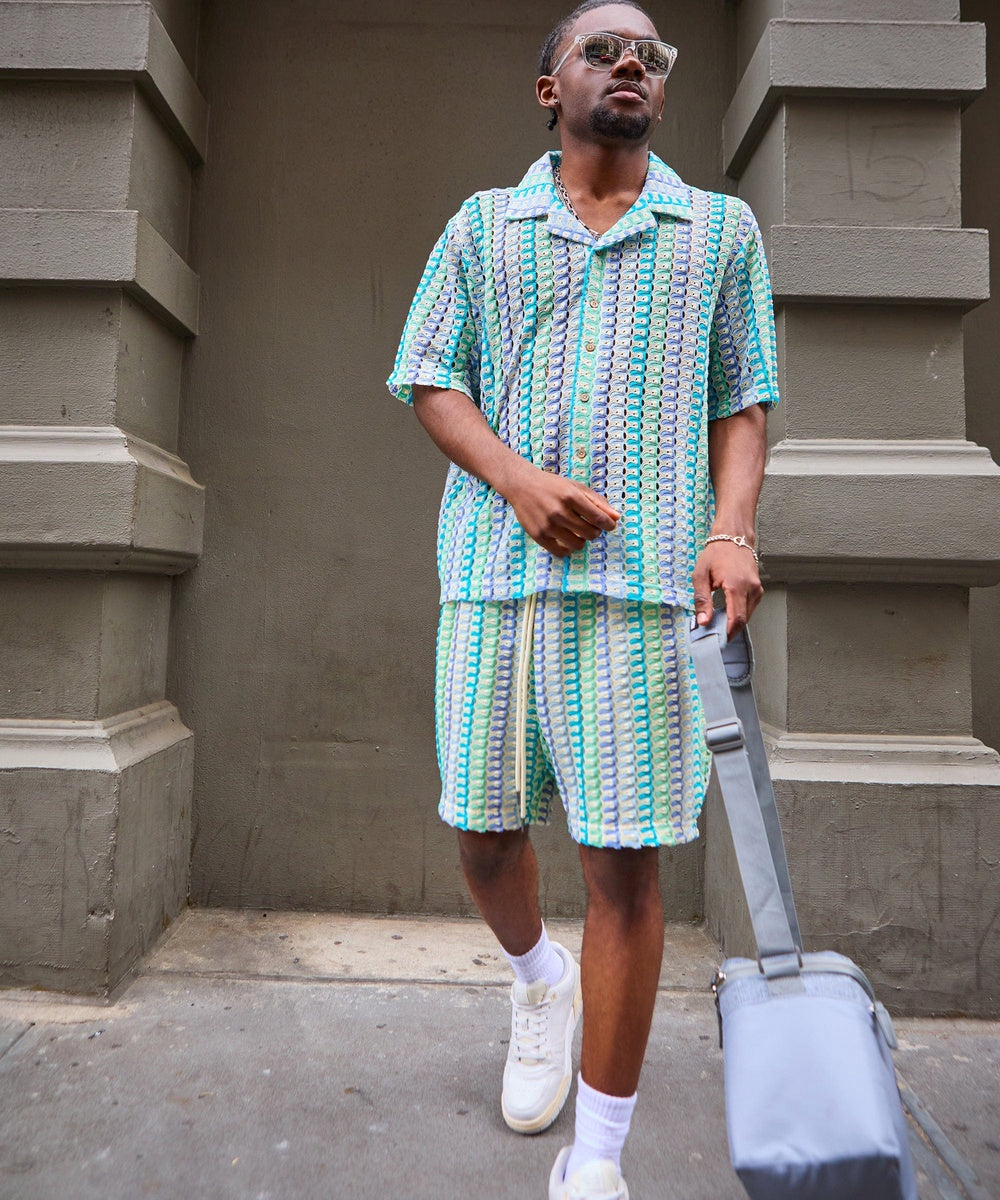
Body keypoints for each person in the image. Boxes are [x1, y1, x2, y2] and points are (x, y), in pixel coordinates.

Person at [387, 3, 778, 1196]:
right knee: (483, 830)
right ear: (546, 88)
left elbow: (742, 397)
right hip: (496, 586)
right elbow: (426, 374)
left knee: (626, 869)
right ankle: (536, 980)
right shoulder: (482, 227)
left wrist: (730, 529)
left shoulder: (718, 232)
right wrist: (514, 482)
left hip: (646, 599)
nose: (630, 63)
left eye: (650, 55)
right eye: (602, 49)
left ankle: (596, 1164)